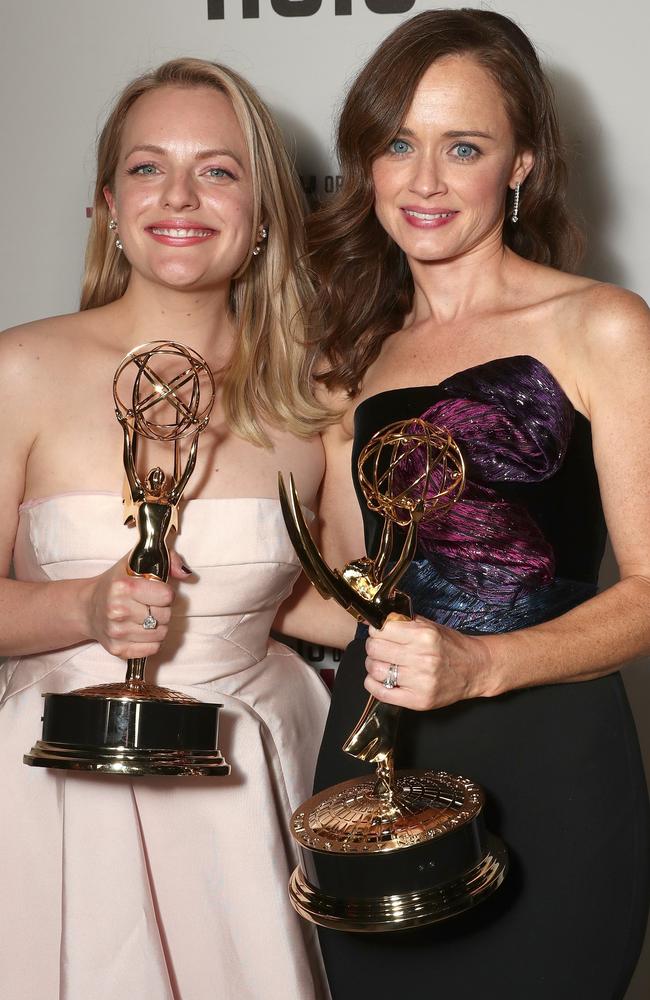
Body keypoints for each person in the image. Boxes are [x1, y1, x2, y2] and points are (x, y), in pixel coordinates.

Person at [293, 9, 650, 998]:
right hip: (377, 770)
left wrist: (484, 663)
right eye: (396, 144)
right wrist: (235, 585)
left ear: (523, 161)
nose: (423, 181)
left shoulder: (598, 326)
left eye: (463, 147)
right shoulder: (346, 362)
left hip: (553, 764)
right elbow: (345, 597)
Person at [0, 58, 333, 999]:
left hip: (250, 797)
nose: (179, 195)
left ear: (264, 208)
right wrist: (84, 603)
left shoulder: (319, 391)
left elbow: (336, 599)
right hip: (59, 795)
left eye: (218, 170)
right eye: (148, 168)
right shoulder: (18, 368)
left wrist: (501, 640)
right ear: (107, 203)